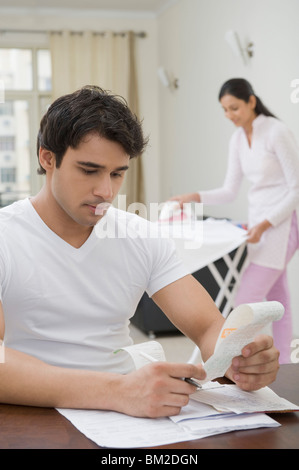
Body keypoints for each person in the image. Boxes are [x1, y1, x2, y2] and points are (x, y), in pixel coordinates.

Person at [0, 85, 279, 419]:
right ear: (47, 158)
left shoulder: (141, 236)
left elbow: (207, 328)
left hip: (127, 414)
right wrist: (115, 391)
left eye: (117, 173)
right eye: (89, 170)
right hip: (32, 413)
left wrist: (238, 359)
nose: (105, 191)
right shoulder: (7, 236)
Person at [170, 78, 299, 364]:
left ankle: (229, 364)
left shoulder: (277, 132)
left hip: (281, 225)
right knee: (280, 300)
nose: (230, 115)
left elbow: (296, 189)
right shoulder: (238, 139)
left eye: (234, 108)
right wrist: (191, 196)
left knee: (245, 300)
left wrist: (265, 224)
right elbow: (229, 190)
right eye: (225, 110)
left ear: (251, 101)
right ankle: (288, 368)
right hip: (258, 225)